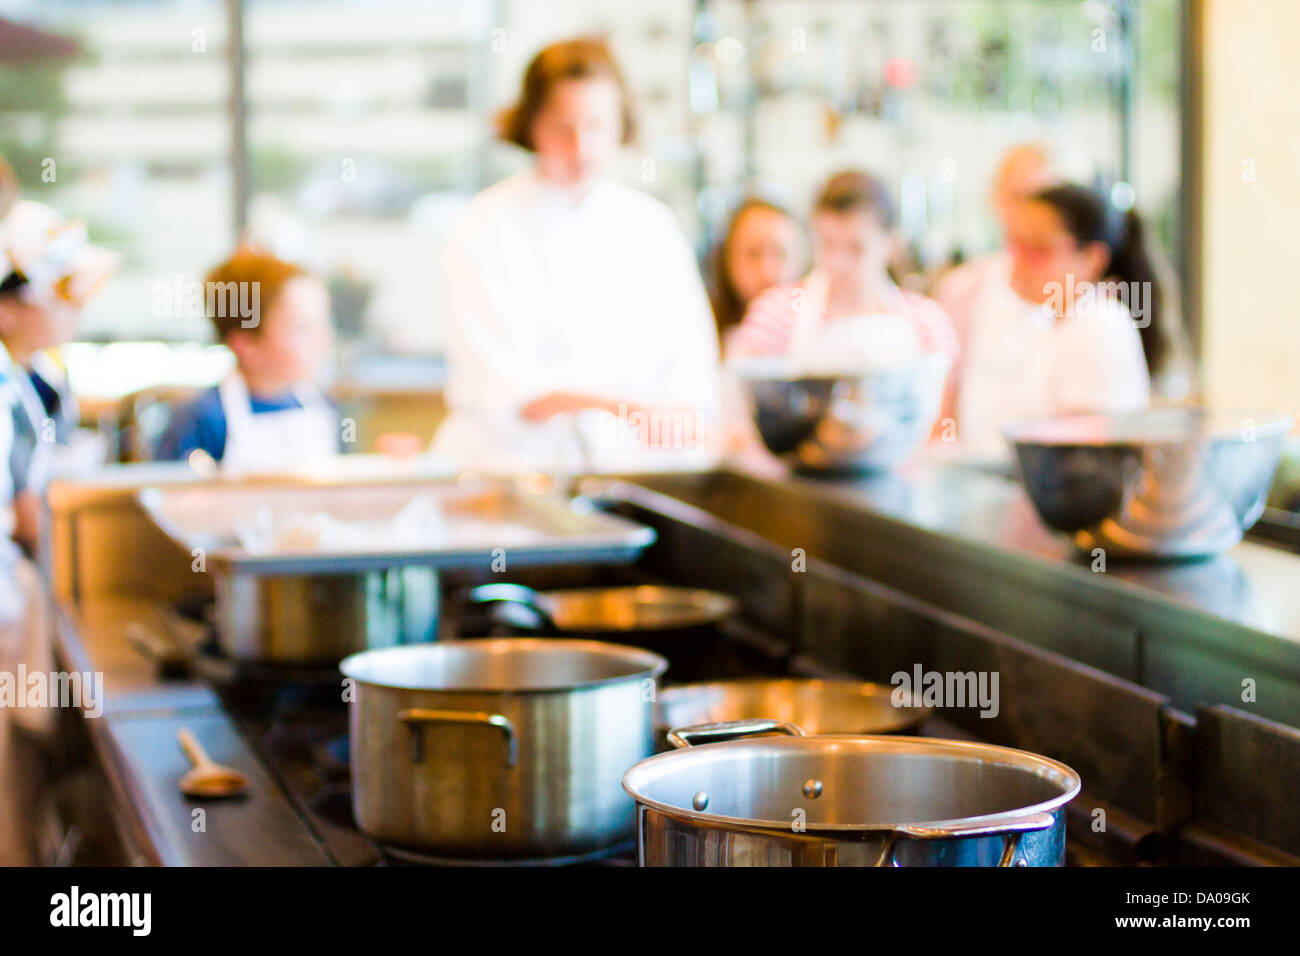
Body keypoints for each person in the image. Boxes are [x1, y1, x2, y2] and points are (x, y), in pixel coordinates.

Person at [433, 37, 721, 473]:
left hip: (636, 474)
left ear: (620, 124)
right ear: (531, 125)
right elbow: (499, 388)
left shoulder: (653, 226)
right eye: (562, 127)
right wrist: (623, 407)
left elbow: (690, 381)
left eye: (596, 126)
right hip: (508, 474)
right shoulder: (485, 224)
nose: (580, 147)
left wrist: (662, 426)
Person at [0, 197, 115, 865]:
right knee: (9, 777)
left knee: (25, 766)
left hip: (23, 593)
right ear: (8, 308)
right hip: (8, 598)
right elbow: (25, 511)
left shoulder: (40, 376)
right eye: (59, 295)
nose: (73, 309)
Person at [727, 169, 958, 376]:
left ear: (891, 245)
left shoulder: (927, 321)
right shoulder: (776, 312)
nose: (837, 262)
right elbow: (740, 406)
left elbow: (945, 411)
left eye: (855, 249)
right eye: (827, 244)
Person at [990, 182, 1172, 427]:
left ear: (1092, 258)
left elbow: (1080, 455)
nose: (1018, 262)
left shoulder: (1097, 326)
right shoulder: (1047, 323)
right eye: (1015, 245)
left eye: (1037, 249)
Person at [155, 245, 338, 472]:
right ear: (245, 346)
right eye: (302, 328)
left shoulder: (323, 406)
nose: (323, 338)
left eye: (323, 322)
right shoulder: (201, 420)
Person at [707, 197, 806, 338]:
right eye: (753, 254)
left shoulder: (818, 329)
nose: (767, 271)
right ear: (726, 260)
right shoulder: (705, 333)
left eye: (779, 253)